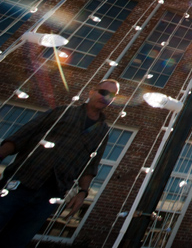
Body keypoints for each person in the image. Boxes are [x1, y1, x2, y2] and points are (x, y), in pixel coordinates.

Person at [0, 79, 119, 247]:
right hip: (22, 181)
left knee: (17, 240)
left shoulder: (102, 131)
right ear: (92, 91)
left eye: (111, 96)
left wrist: (83, 192)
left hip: (51, 193)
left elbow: (90, 164)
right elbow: (24, 134)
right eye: (103, 92)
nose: (105, 97)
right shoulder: (63, 112)